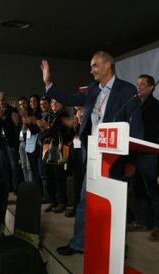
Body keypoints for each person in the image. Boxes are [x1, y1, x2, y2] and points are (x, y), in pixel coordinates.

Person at [40, 51, 143, 255]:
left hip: (114, 156)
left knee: (113, 204)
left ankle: (115, 247)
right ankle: (79, 243)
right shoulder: (93, 88)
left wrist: (132, 160)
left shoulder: (127, 90)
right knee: (86, 200)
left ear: (108, 66)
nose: (91, 70)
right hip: (94, 154)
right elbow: (69, 99)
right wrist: (49, 82)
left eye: (95, 65)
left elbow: (136, 128)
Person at [131, 74, 159, 241]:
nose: (139, 87)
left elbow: (148, 130)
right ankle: (143, 221)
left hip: (147, 154)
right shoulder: (136, 104)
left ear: (152, 87)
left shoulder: (154, 105)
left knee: (153, 190)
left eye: (142, 84)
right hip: (135, 153)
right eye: (137, 84)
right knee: (138, 189)